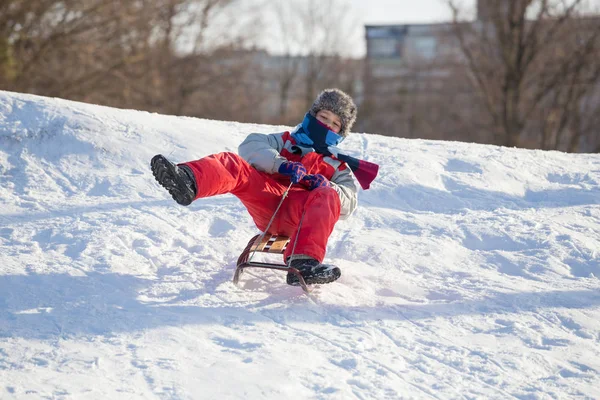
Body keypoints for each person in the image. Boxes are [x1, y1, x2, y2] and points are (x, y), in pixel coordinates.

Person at [151, 88, 361, 287]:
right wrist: (280, 164)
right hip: (268, 201)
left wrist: (327, 185)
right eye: (323, 117)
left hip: (302, 216)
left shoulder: (337, 165)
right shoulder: (286, 141)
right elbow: (251, 146)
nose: (326, 125)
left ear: (340, 132)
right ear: (313, 115)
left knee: (327, 194)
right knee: (233, 163)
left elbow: (349, 201)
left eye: (334, 124)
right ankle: (188, 181)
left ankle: (305, 263)